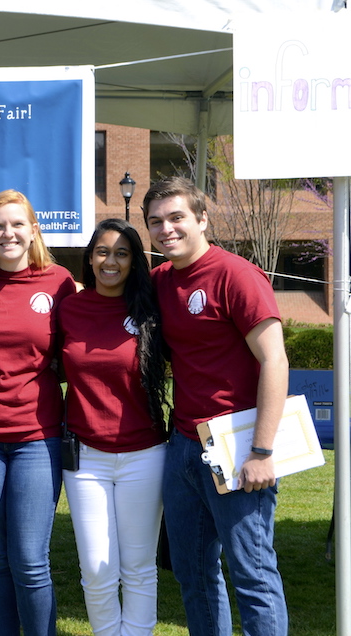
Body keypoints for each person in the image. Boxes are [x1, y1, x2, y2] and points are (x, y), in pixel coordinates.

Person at [143, 176, 289, 636]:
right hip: (184, 444)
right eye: (156, 222)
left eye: (177, 217)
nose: (166, 229)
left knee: (253, 574)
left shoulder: (236, 275)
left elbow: (275, 359)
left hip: (238, 444)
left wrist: (261, 452)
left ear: (202, 218)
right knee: (192, 573)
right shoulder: (161, 280)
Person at [0, 189, 76, 636]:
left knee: (28, 557)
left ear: (33, 230)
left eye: (17, 224)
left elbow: (74, 351)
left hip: (36, 437)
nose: (8, 233)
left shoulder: (58, 280)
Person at [57, 218, 169, 636]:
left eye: (122, 253)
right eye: (102, 251)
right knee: (96, 568)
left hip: (145, 454)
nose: (111, 261)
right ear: (89, 258)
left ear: (134, 261)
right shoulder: (69, 307)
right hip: (85, 458)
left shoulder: (150, 307)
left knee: (138, 567)